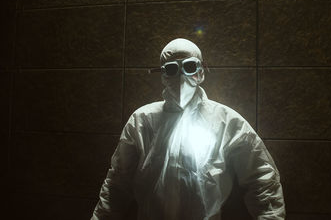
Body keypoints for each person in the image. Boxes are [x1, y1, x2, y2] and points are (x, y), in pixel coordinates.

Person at [91, 38, 286, 220]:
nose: (182, 76)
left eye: (190, 67)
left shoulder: (226, 121)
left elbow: (262, 179)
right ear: (163, 76)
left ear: (201, 72)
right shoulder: (142, 121)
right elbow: (117, 184)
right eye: (171, 69)